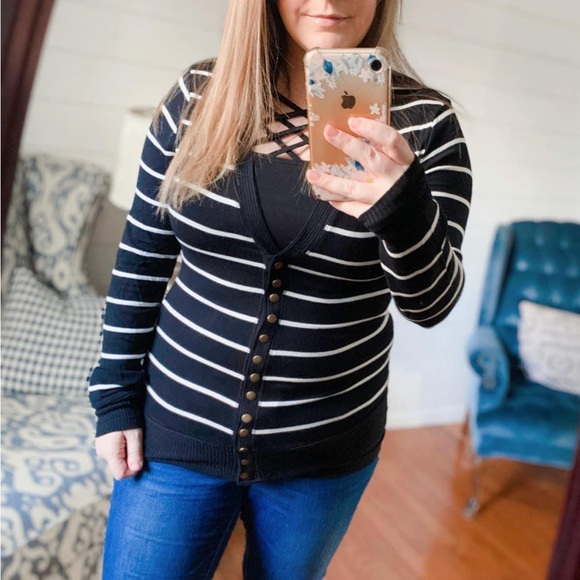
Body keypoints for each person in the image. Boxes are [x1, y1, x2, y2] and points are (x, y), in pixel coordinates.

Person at [89, 0, 472, 578]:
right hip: (175, 431)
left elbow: (431, 305)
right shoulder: (198, 96)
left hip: (323, 455)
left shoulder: (425, 126)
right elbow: (141, 260)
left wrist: (404, 209)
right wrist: (114, 395)